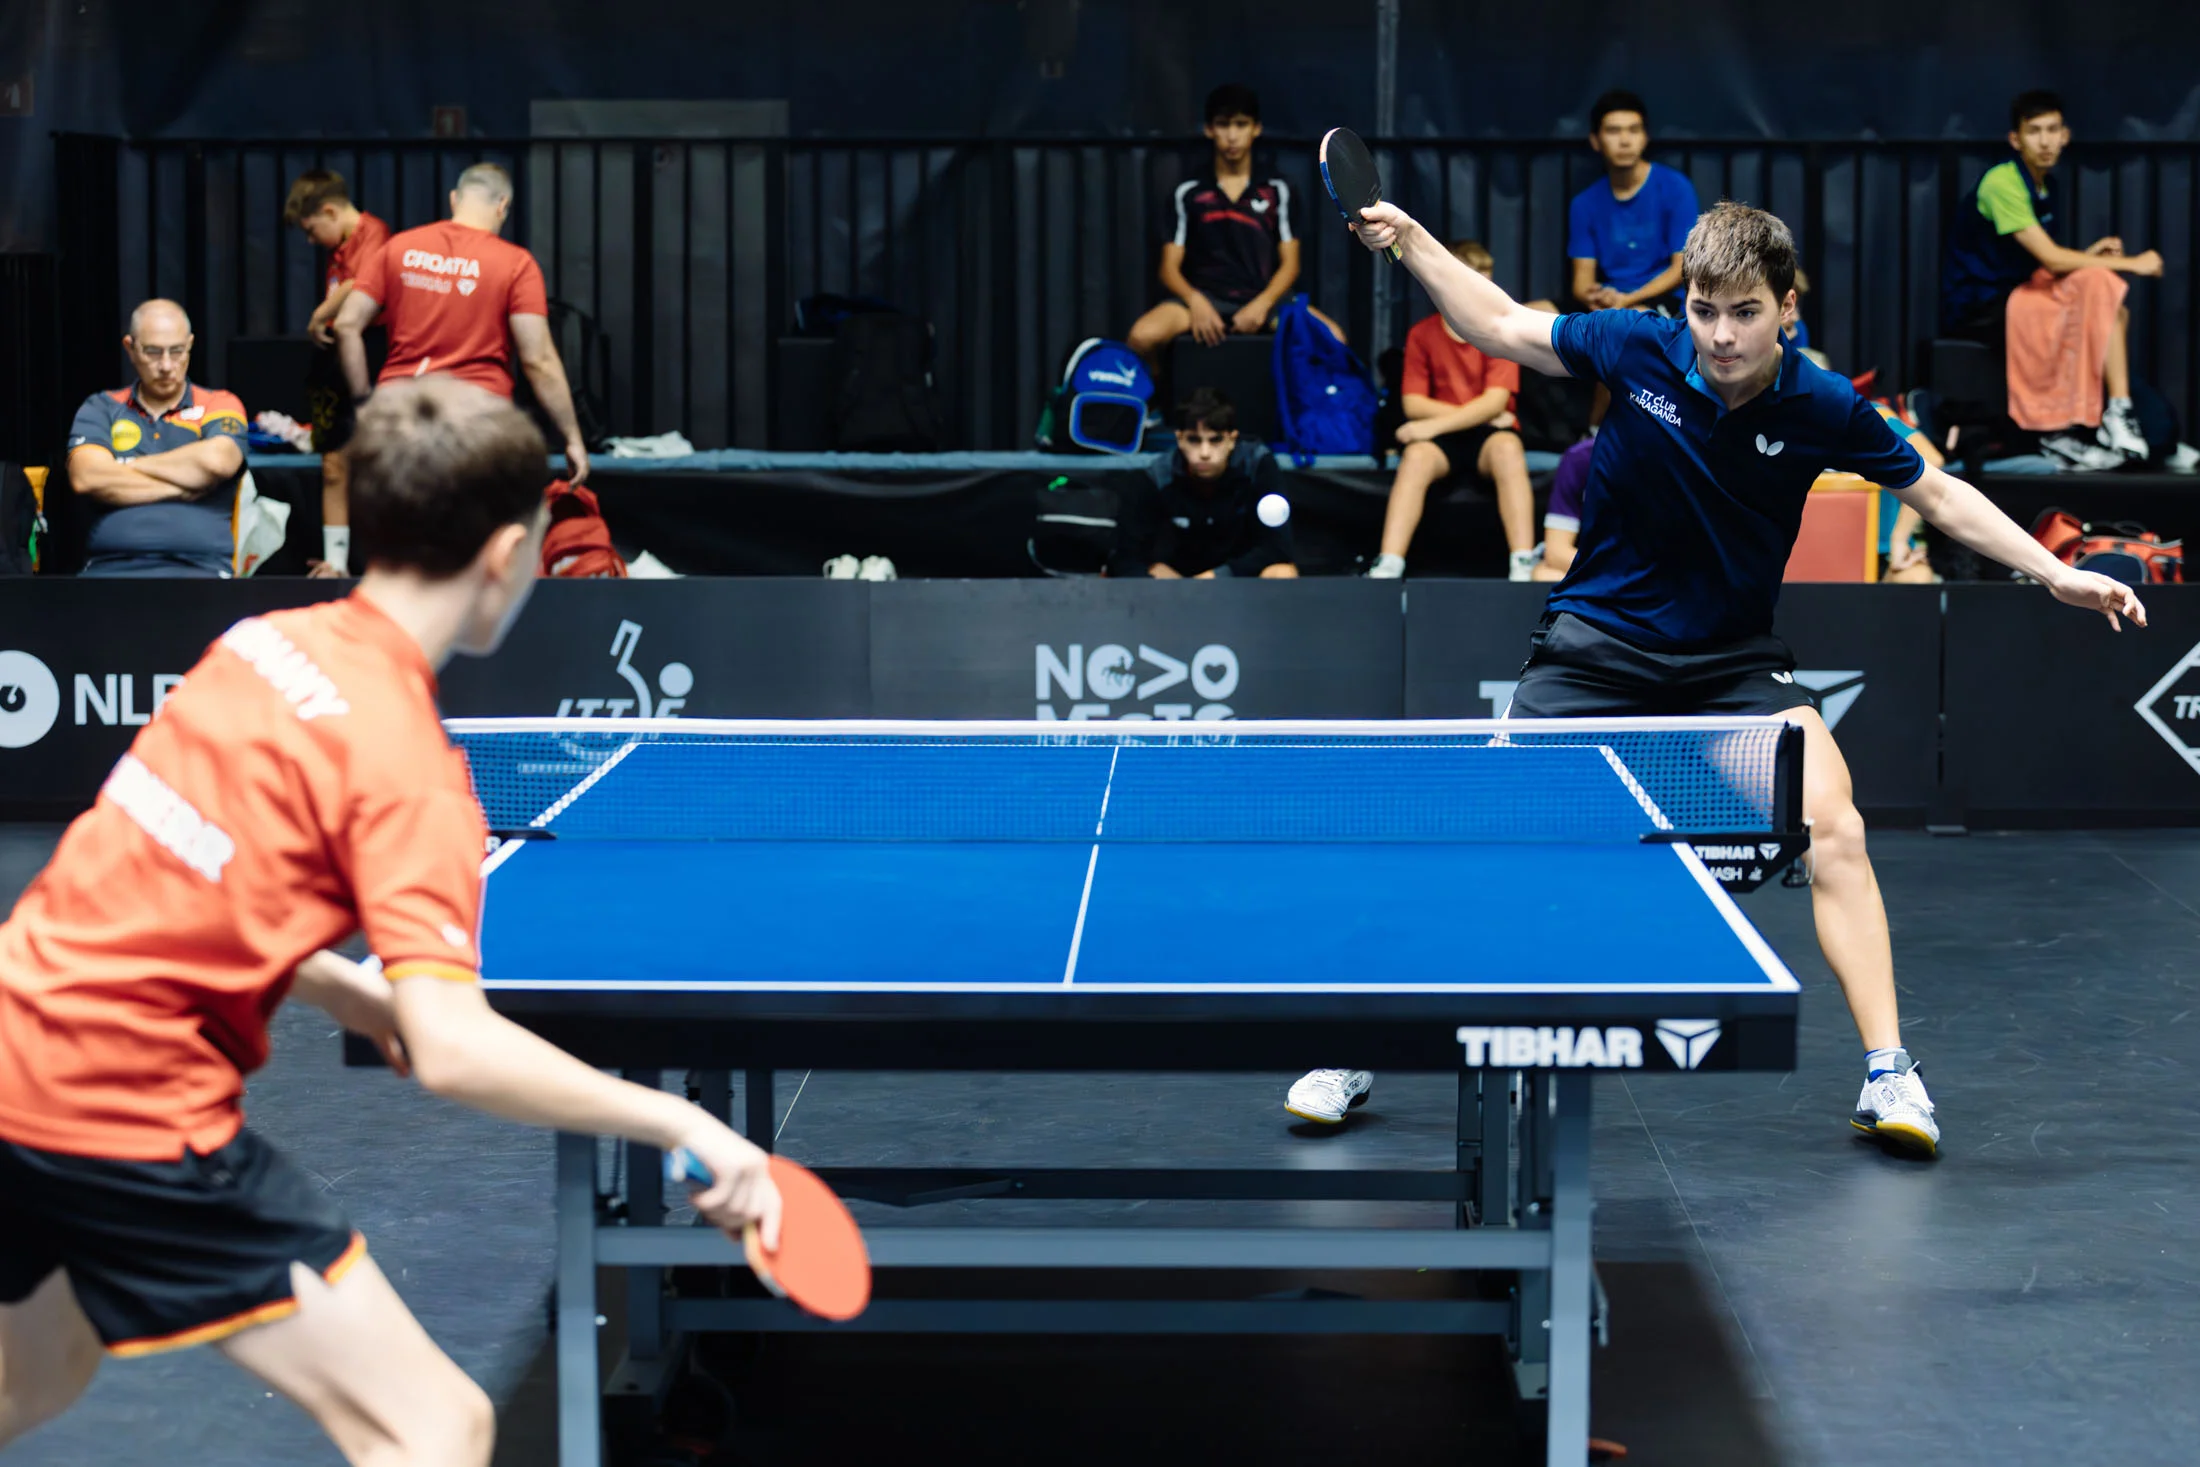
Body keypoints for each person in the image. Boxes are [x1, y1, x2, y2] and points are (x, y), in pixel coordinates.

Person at [0, 377, 777, 1463]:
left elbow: (184, 875)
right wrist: (683, 1126)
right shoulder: (409, 766)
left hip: (17, 1038)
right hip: (120, 1108)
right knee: (436, 1426)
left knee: (39, 1368)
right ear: (506, 557)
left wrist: (350, 990)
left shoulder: (260, 646)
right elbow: (453, 1050)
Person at [1287, 198, 2148, 1158]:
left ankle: (1891, 1072)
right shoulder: (1636, 347)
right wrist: (1411, 241)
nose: (1722, 335)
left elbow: (1938, 495)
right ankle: (1356, 1042)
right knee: (1479, 837)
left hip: (1730, 667)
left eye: (1745, 312)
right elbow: (1497, 322)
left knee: (1837, 826)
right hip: (1594, 650)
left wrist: (2056, 571)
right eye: (1705, 310)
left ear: (1787, 307)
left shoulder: (1823, 405)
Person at [1940, 90, 2163, 470]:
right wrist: (2134, 263)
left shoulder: (2046, 186)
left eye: (2052, 130)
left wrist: (2092, 258)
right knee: (2097, 285)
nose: (2045, 141)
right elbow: (2051, 258)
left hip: (2021, 289)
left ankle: (2117, 411)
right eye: (2034, 131)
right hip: (1980, 303)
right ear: (2016, 139)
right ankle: (2056, 431)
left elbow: (2046, 262)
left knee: (2107, 299)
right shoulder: (2002, 183)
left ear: (2065, 136)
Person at [333, 162, 591, 485]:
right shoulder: (517, 264)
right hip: (477, 416)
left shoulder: (398, 247)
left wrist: (363, 403)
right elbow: (538, 360)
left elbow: (346, 325)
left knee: (402, 512)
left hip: (398, 412)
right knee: (473, 513)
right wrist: (572, 437)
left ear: (454, 199)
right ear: (502, 206)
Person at [1125, 84, 1343, 365]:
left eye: (1241, 125)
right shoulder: (1187, 192)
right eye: (1223, 125)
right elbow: (1168, 269)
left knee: (1334, 340)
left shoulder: (1278, 189)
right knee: (1142, 338)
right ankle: (1158, 394)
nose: (1232, 136)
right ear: (1209, 130)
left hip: (1265, 300)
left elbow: (1290, 265)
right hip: (1205, 298)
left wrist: (1262, 305)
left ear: (1255, 129)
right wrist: (1196, 302)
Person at [1367, 240, 1538, 582]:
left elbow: (1496, 401)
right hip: (1451, 440)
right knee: (1416, 457)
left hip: (1482, 437)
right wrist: (1477, 414)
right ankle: (1389, 563)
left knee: (1508, 450)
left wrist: (1432, 426)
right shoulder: (1422, 334)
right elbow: (1413, 404)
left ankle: (1523, 561)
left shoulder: (1501, 333)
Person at [62, 299, 249, 578]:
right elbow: (87, 477)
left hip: (202, 569)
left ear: (190, 345)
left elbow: (217, 461)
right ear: (130, 348)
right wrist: (185, 486)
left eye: (177, 351)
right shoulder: (101, 407)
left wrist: (123, 466)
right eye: (153, 352)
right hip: (109, 568)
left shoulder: (219, 403)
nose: (166, 365)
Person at [284, 169, 391, 577]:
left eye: (311, 230)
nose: (311, 241)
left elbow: (361, 283)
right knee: (333, 464)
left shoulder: (373, 233)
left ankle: (389, 559)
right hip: (334, 363)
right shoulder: (339, 248)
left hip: (369, 356)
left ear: (330, 211)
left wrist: (319, 315)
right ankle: (336, 562)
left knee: (379, 464)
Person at [1108, 388, 1297, 579]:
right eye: (1194, 440)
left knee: (1282, 572)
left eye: (1215, 440)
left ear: (1232, 440)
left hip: (1239, 577)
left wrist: (1215, 577)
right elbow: (1127, 557)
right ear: (1179, 439)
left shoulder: (1257, 466)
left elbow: (1278, 548)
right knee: (1155, 571)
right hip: (1179, 582)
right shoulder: (1157, 477)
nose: (1204, 453)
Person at [1568, 90, 1699, 316]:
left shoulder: (1676, 188)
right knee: (1529, 315)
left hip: (1660, 300)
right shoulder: (1583, 203)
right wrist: (1597, 296)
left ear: (1645, 137)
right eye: (1613, 131)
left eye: (1634, 130)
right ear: (1595, 141)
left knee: (1631, 323)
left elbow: (1681, 268)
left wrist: (1628, 299)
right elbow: (1582, 282)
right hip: (1609, 302)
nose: (1625, 141)